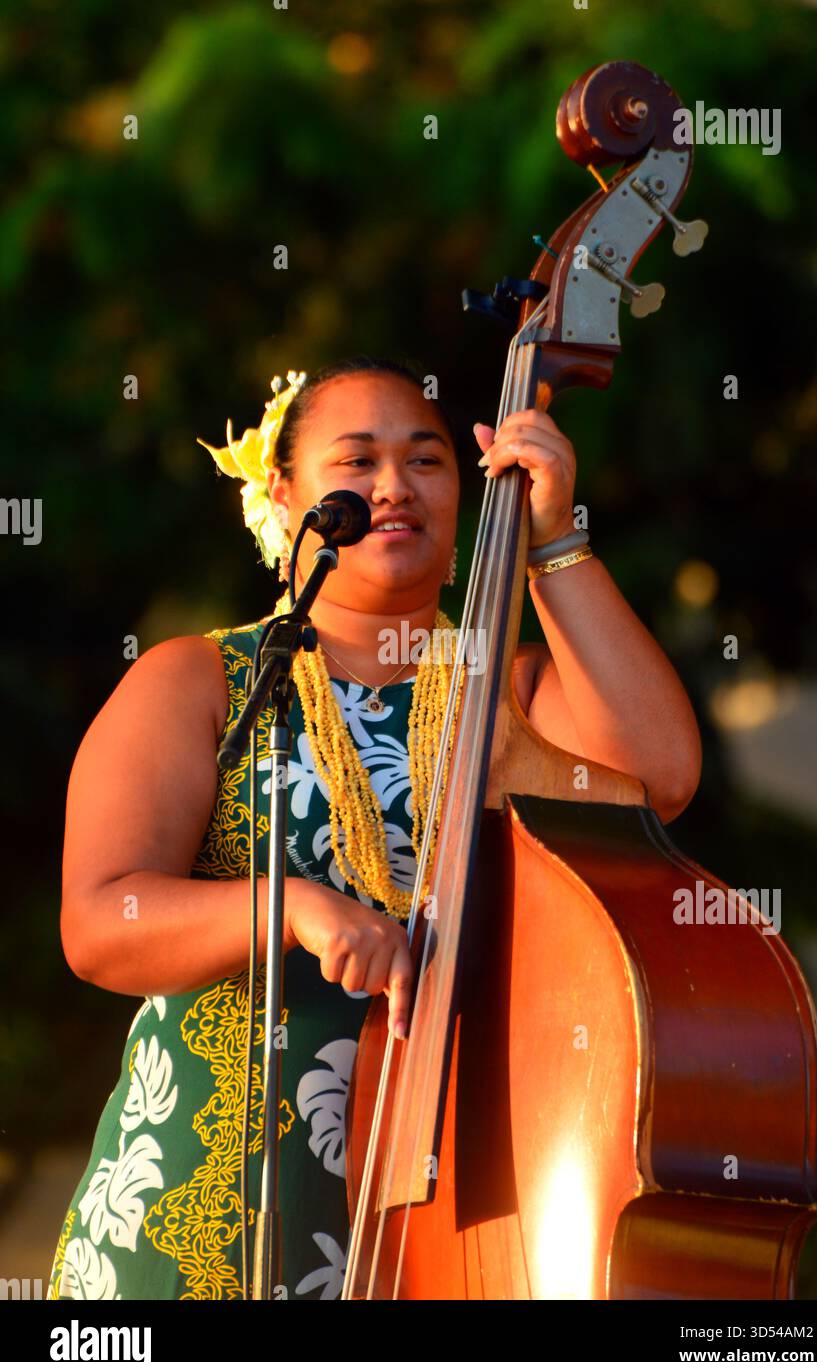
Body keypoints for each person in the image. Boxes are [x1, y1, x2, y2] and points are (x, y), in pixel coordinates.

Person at [47, 354, 702, 1300]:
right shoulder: (201, 682)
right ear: (283, 498)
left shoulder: (506, 694)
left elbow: (660, 778)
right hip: (196, 1215)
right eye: (356, 462)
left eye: (428, 461)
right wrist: (293, 908)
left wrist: (552, 539)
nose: (393, 487)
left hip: (451, 1226)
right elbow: (102, 921)